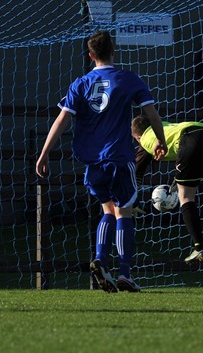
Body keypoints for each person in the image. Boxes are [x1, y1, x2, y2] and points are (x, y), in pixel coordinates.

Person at [36, 30, 168, 292]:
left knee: (108, 210)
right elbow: (150, 112)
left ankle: (99, 259)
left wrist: (44, 152)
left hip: (93, 161)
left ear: (90, 55)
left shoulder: (81, 83)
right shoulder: (128, 79)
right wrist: (160, 141)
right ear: (113, 52)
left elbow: (62, 119)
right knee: (125, 211)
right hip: (119, 157)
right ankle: (125, 274)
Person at [131, 115, 203, 264]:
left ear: (138, 137)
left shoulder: (145, 140)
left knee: (185, 196)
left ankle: (199, 247)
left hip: (191, 140)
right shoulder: (165, 126)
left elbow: (135, 175)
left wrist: (131, 201)